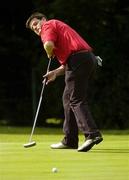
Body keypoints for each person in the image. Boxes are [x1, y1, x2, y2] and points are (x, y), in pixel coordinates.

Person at [26, 12, 103, 152]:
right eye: (33, 29)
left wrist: (49, 52)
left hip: (79, 60)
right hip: (86, 59)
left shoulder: (48, 25)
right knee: (67, 99)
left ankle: (92, 134)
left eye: (36, 24)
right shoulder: (57, 28)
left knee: (75, 99)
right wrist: (55, 73)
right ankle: (70, 140)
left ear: (43, 20)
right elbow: (67, 63)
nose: (37, 29)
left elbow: (48, 45)